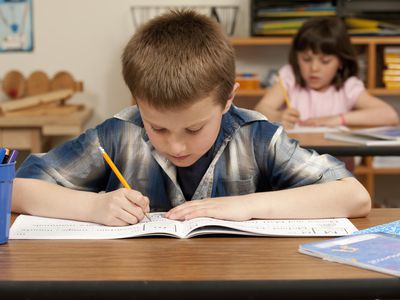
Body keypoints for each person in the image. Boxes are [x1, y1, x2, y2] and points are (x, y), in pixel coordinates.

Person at [12, 10, 371, 226]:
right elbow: (13, 190)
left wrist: (246, 206)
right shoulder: (119, 134)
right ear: (138, 102)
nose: (176, 145)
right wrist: (93, 207)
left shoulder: (257, 137)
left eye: (195, 127)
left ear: (228, 98)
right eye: (158, 128)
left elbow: (354, 197)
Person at [254, 17, 399, 129]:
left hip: (338, 163)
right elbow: (260, 109)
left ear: (341, 61)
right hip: (296, 162)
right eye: (306, 59)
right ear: (296, 57)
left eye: (325, 61)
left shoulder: (348, 87)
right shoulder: (290, 76)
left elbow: (390, 115)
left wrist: (336, 120)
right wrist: (278, 116)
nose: (314, 68)